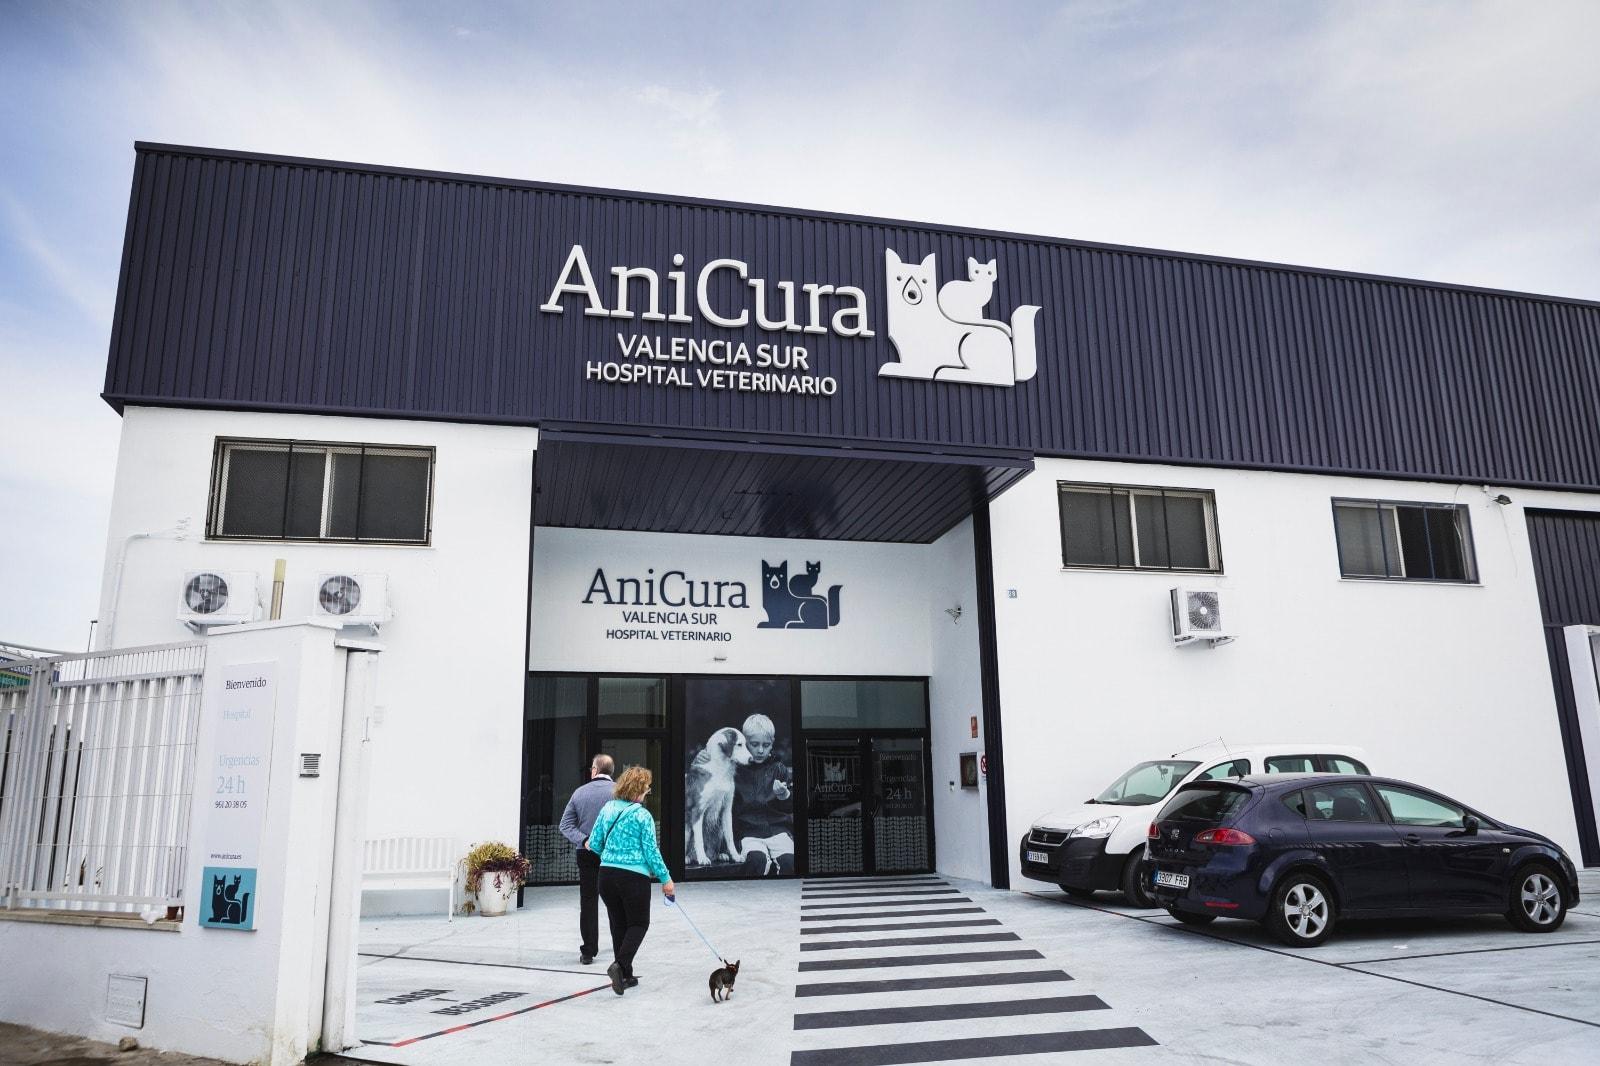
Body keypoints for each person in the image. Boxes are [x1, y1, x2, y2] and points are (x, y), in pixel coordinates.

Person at [588, 766, 675, 995]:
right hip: (633, 877)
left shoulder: (607, 809)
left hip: (606, 875)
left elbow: (594, 843)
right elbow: (651, 851)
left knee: (618, 924)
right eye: (646, 788)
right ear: (638, 789)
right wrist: (666, 879)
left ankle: (625, 975)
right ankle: (619, 965)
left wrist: (611, 855)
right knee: (638, 924)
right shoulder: (642, 815)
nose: (648, 792)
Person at [558, 753, 615, 965]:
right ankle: (620, 947)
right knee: (615, 901)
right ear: (611, 771)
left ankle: (588, 951)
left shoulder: (579, 793)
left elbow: (565, 825)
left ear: (594, 770)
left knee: (589, 901)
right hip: (613, 854)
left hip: (586, 852)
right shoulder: (620, 792)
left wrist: (584, 840)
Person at [734, 713, 796, 876]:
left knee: (789, 862)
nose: (760, 750)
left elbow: (790, 807)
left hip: (778, 831)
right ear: (744, 742)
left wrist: (784, 795)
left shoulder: (779, 769)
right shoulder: (735, 770)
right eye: (754, 744)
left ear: (772, 743)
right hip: (749, 833)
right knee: (756, 861)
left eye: (766, 745)